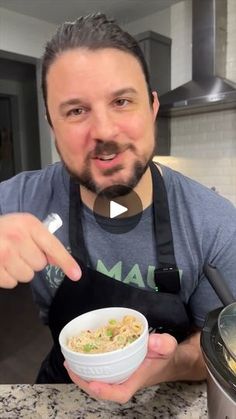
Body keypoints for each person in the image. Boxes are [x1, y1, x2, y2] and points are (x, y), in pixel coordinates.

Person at [0, 13, 236, 403]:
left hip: (170, 401)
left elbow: (223, 350)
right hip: (60, 393)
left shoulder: (215, 224)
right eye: (76, 111)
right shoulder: (26, 198)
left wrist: (174, 360)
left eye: (122, 101)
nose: (105, 132)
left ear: (153, 107)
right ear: (51, 125)